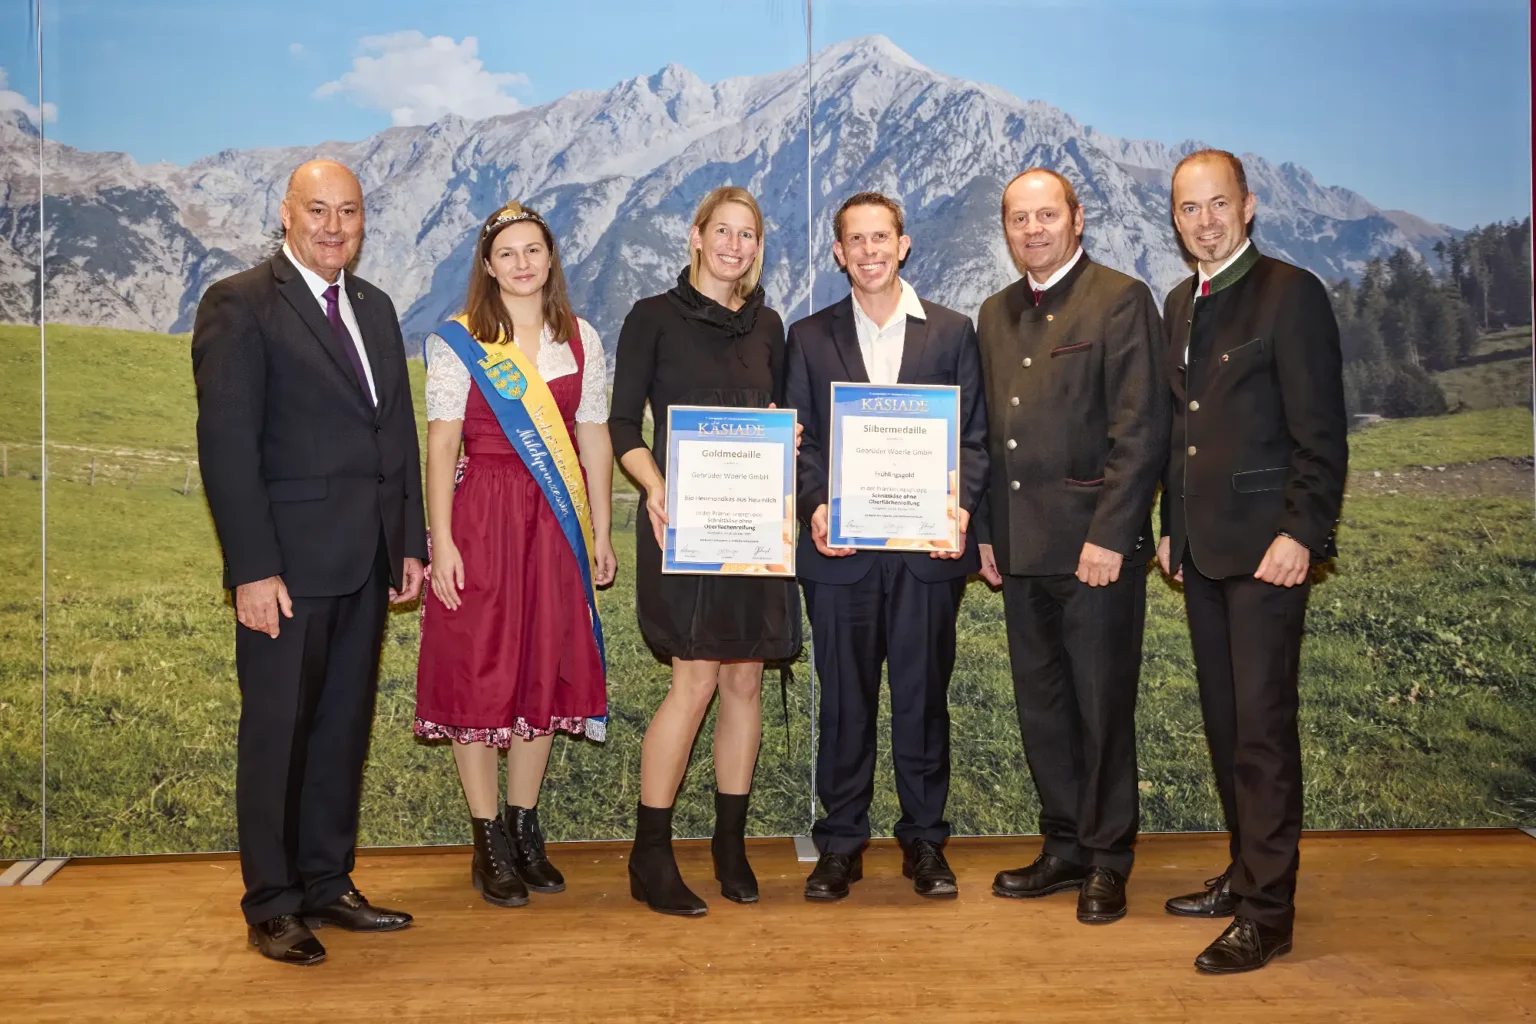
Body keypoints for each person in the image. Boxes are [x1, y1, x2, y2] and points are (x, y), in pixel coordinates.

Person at [192, 159, 426, 967]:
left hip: (365, 561)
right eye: (318, 210)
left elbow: (394, 435)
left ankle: (327, 881)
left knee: (339, 732)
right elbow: (226, 449)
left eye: (349, 212)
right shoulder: (240, 303)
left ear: (364, 223)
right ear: (285, 214)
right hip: (285, 570)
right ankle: (272, 903)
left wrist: (411, 544)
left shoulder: (375, 306)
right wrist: (251, 569)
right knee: (276, 734)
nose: (334, 226)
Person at [1157, 149, 1347, 974]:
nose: (1204, 220)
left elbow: (1322, 433)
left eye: (1216, 204)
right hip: (1201, 552)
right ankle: (1244, 874)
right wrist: (1169, 523)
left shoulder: (1291, 294)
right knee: (1228, 726)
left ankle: (1269, 914)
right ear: (1176, 220)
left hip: (1269, 553)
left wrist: (1301, 532)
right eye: (1188, 209)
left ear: (1248, 205)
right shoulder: (1178, 302)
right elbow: (1180, 427)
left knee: (1263, 734)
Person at [974, 168, 1167, 925]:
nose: (1033, 229)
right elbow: (988, 438)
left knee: (1101, 705)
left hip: (1095, 553)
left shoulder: (1120, 299)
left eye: (1046, 215)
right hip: (1021, 551)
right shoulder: (994, 313)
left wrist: (1112, 536)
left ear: (1077, 219)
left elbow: (1141, 430)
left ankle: (1109, 859)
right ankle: (1063, 845)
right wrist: (988, 535)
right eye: (1019, 218)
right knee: (1044, 707)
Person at [784, 192, 988, 901]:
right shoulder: (808, 337)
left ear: (903, 244)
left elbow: (974, 441)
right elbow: (799, 438)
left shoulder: (954, 332)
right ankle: (840, 843)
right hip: (839, 557)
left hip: (926, 554)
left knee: (923, 697)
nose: (870, 251)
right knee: (843, 701)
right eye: (855, 241)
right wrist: (814, 506)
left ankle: (925, 843)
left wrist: (957, 507)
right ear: (838, 253)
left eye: (882, 238)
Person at [414, 202, 616, 908]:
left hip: (556, 522)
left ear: (551, 258)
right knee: (479, 671)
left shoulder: (582, 338)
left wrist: (599, 533)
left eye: (534, 250)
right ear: (489, 265)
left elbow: (592, 440)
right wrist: (441, 543)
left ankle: (526, 828)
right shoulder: (459, 341)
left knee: (542, 666)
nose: (523, 262)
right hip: (485, 518)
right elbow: (442, 442)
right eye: (509, 253)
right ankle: (486, 838)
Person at [610, 185, 802, 916]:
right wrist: (656, 489)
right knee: (691, 684)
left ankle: (730, 845)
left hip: (753, 528)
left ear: (758, 246)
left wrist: (792, 440)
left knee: (745, 681)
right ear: (694, 236)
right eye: (721, 230)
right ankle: (649, 855)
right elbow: (625, 426)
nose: (733, 244)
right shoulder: (651, 318)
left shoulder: (770, 326)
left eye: (747, 234)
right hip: (681, 527)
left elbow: (781, 419)